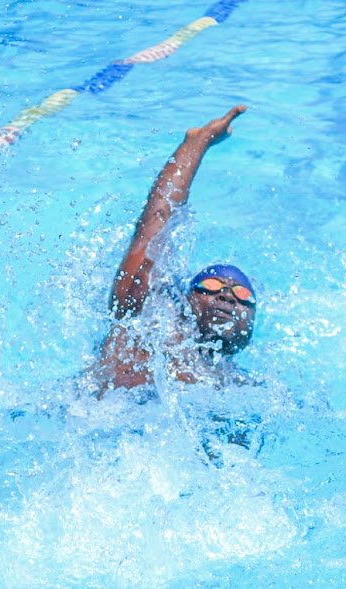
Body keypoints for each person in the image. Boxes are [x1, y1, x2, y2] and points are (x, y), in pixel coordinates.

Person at [93, 105, 257, 399]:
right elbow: (153, 229)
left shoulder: (244, 387)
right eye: (210, 286)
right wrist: (198, 142)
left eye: (243, 295)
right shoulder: (139, 334)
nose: (227, 295)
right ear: (184, 301)